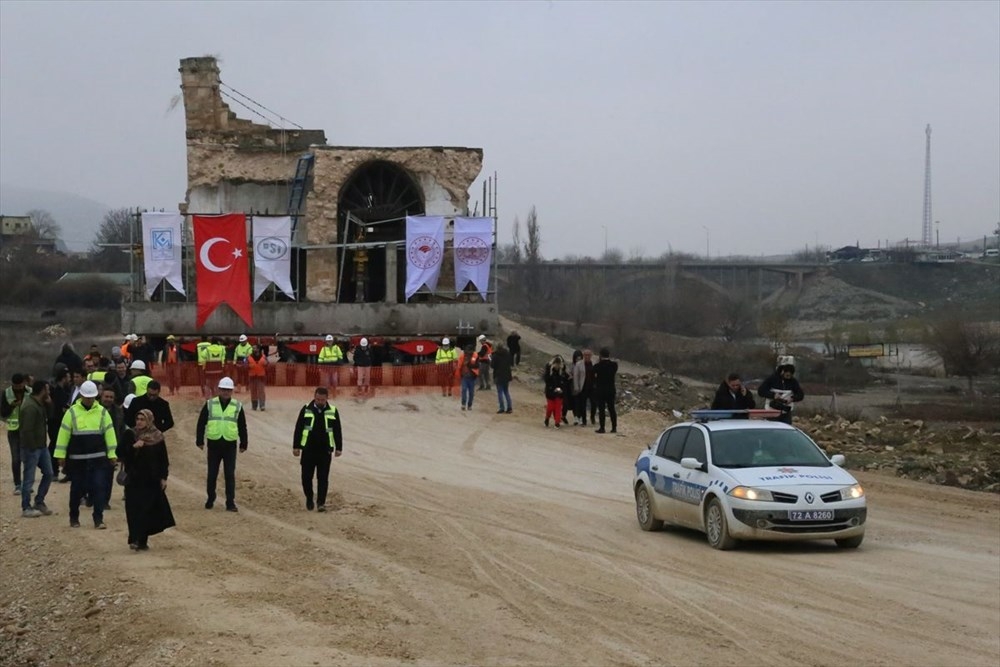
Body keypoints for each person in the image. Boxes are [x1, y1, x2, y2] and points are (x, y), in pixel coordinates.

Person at [54, 380, 117, 529]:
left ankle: (98, 518)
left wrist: (112, 454)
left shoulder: (102, 412)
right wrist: (60, 455)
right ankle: (74, 517)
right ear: (81, 395)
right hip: (78, 460)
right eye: (87, 397)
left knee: (99, 488)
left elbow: (110, 434)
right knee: (77, 489)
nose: (89, 400)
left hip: (98, 459)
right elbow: (63, 435)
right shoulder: (71, 413)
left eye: (92, 397)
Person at [117, 408, 175, 551]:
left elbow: (163, 460)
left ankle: (142, 540)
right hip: (134, 479)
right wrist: (133, 447)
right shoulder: (130, 434)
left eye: (143, 419)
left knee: (147, 510)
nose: (139, 422)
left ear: (150, 420)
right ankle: (135, 538)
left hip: (151, 480)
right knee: (134, 510)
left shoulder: (157, 437)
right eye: (138, 419)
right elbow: (119, 452)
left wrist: (163, 477)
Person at [195, 376, 248, 512]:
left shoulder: (237, 406)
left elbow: (242, 425)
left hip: (230, 444)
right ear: (219, 390)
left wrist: (244, 442)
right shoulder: (210, 404)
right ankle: (210, 498)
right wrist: (199, 440)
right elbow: (201, 423)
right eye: (223, 389)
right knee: (212, 473)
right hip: (214, 444)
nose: (225, 392)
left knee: (229, 474)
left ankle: (230, 502)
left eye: (228, 390)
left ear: (231, 391)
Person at [292, 387, 343, 512]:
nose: (320, 402)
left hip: (325, 451)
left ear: (327, 399)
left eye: (322, 400)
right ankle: (309, 497)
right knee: (306, 478)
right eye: (318, 399)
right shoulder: (306, 409)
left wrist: (339, 447)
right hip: (308, 450)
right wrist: (296, 446)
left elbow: (337, 430)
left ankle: (321, 503)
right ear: (314, 397)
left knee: (323, 478)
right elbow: (298, 428)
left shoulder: (333, 411)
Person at [18, 380, 54, 518]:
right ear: (42, 390)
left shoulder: (40, 404)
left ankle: (39, 501)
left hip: (41, 446)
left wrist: (49, 404)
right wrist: (32, 448)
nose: (49, 392)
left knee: (49, 473)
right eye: (47, 390)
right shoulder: (30, 407)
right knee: (29, 478)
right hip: (32, 448)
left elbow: (50, 417)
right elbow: (26, 430)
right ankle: (26, 507)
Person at [758, 356, 805, 424]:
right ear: (782, 371)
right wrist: (773, 395)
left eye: (790, 375)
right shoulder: (772, 379)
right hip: (771, 412)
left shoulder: (793, 381)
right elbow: (761, 391)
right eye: (786, 374)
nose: (788, 376)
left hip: (786, 412)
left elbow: (800, 395)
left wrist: (792, 398)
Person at [2, 373, 28, 494]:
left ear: (24, 383)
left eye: (20, 385)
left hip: (27, 429)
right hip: (13, 430)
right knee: (16, 458)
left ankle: (28, 484)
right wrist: (12, 406)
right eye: (15, 386)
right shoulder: (6, 393)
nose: (18, 388)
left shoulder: (30, 391)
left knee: (27, 458)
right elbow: (2, 412)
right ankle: (18, 484)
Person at [593, 348, 618, 434]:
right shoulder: (614, 365)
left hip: (601, 390)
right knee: (612, 409)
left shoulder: (597, 366)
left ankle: (602, 428)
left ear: (600, 356)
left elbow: (594, 373)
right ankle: (614, 427)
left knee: (601, 409)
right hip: (611, 390)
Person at [543, 356, 569, 428]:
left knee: (558, 408)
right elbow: (547, 381)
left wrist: (561, 389)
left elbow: (565, 380)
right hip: (550, 393)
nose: (557, 366)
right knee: (550, 408)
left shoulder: (562, 372)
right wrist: (553, 389)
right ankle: (547, 418)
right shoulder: (549, 372)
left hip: (559, 393)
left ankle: (557, 422)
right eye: (556, 364)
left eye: (559, 364)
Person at [491, 343, 513, 414]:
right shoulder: (507, 354)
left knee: (500, 392)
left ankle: (502, 407)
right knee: (506, 392)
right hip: (506, 375)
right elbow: (511, 363)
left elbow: (492, 366)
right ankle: (509, 407)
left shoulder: (495, 355)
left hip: (499, 375)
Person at [456, 345, 479, 411]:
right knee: (464, 390)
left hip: (472, 377)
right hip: (464, 377)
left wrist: (470, 365)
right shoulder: (462, 356)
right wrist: (458, 375)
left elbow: (477, 365)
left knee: (471, 392)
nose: (469, 352)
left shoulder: (476, 356)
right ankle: (463, 404)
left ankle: (469, 405)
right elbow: (459, 366)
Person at [247, 344, 268, 411]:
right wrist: (248, 366)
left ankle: (262, 405)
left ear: (258, 349)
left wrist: (266, 363)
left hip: (261, 377)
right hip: (252, 376)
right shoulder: (249, 357)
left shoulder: (264, 357)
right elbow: (244, 365)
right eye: (253, 348)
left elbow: (268, 364)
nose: (253, 349)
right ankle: (254, 406)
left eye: (255, 348)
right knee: (253, 391)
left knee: (261, 391)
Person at [571, 350, 588, 426]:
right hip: (574, 386)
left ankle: (581, 417)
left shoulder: (583, 365)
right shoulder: (572, 365)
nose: (578, 360)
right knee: (575, 403)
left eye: (579, 358)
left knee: (581, 403)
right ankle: (575, 417)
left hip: (582, 386)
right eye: (576, 358)